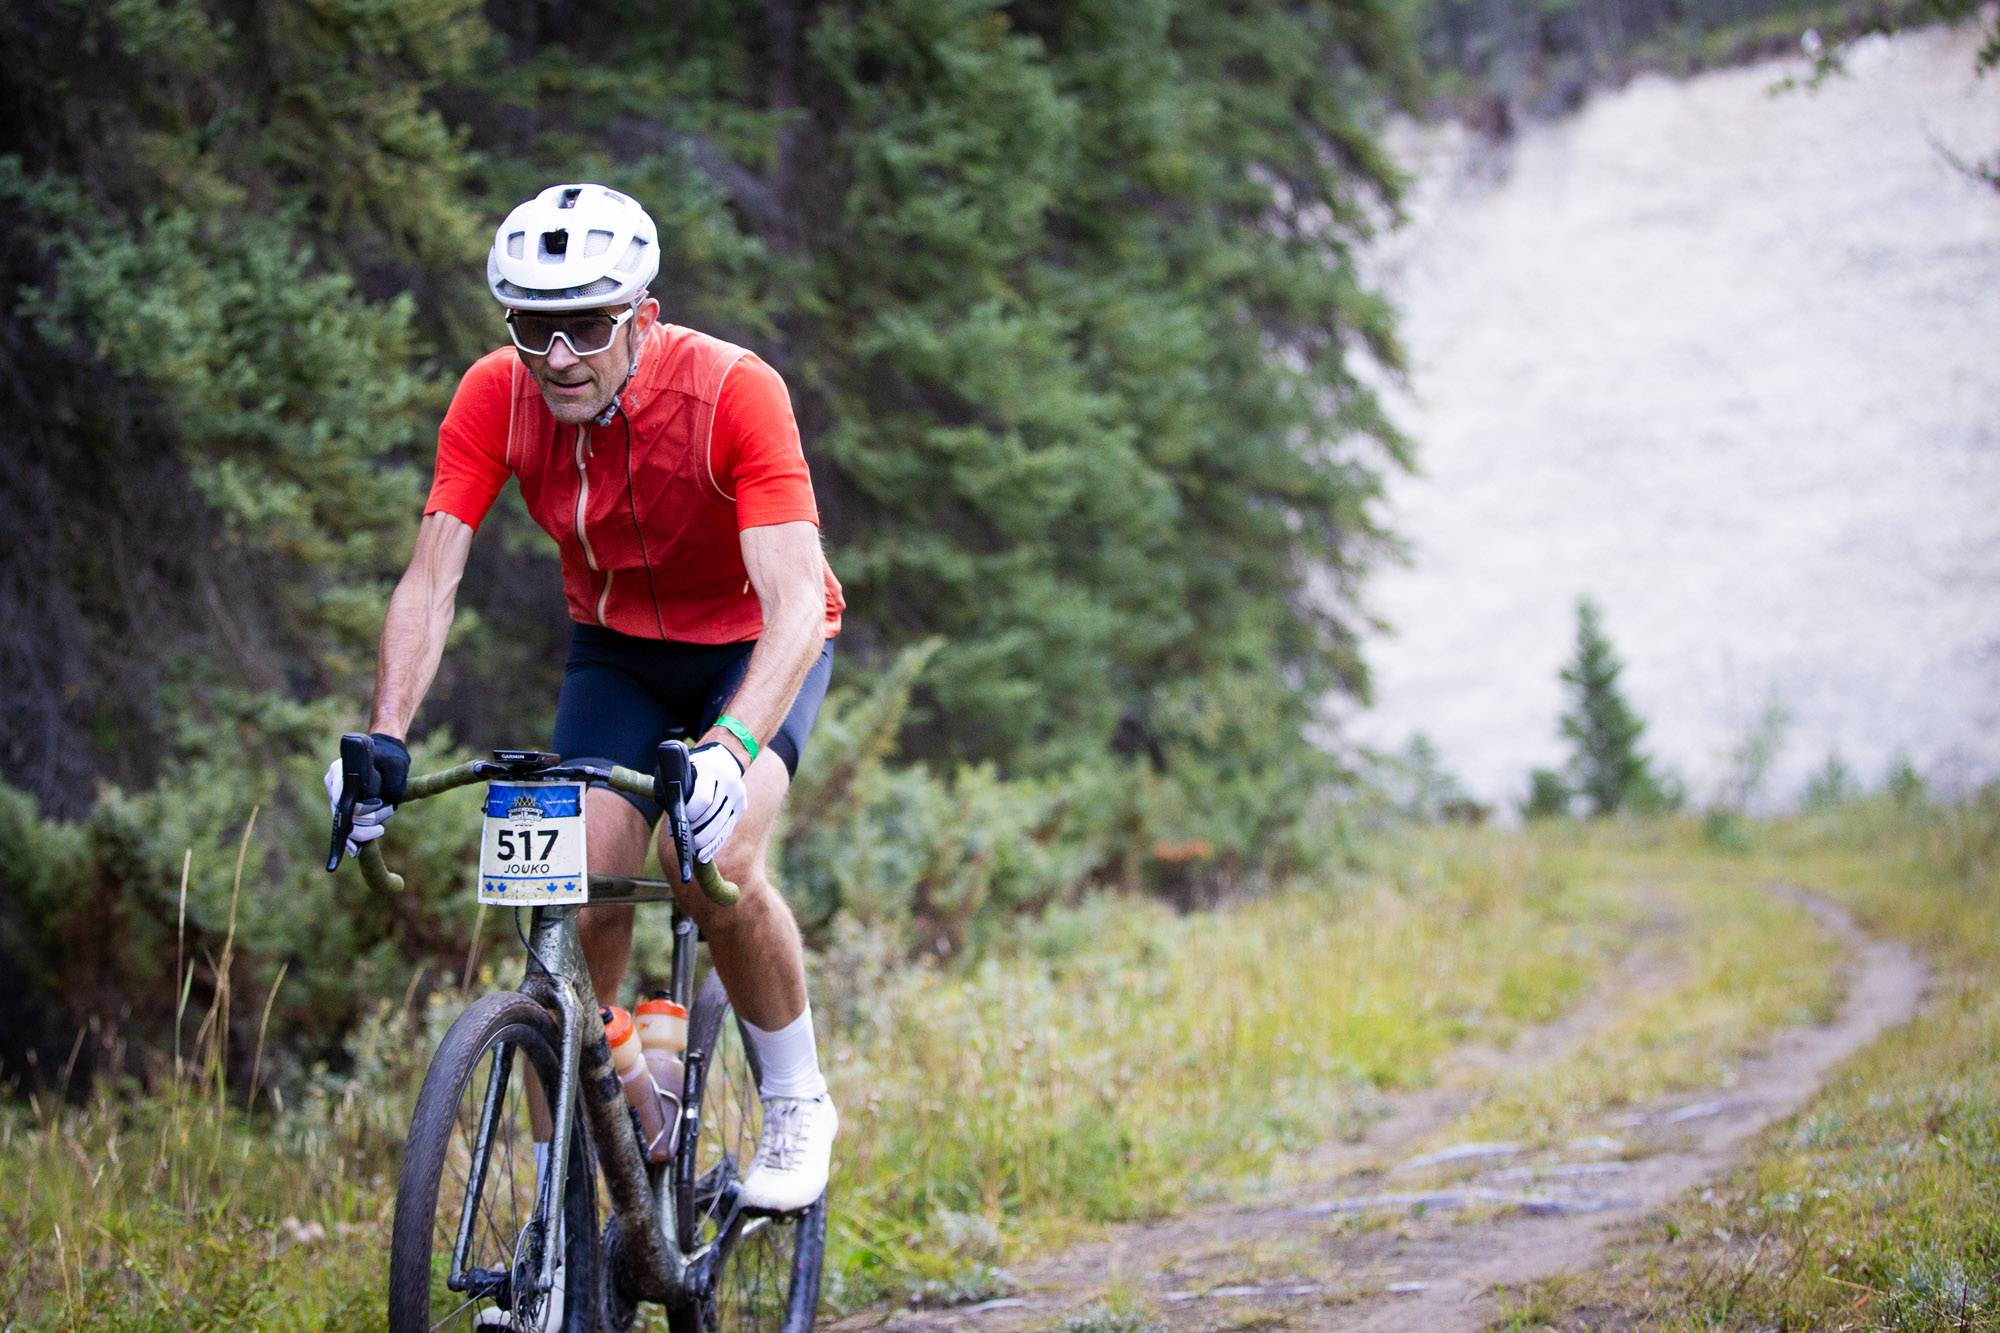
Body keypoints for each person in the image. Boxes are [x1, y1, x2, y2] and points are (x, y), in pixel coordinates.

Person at [324, 183, 842, 1222]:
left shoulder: (734, 391)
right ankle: (565, 1201)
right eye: (531, 327)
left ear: (642, 318)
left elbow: (795, 605)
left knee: (710, 863)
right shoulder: (495, 395)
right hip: (618, 654)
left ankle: (795, 1099)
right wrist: (383, 737)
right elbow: (431, 579)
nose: (558, 356)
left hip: (751, 643)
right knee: (573, 890)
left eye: (588, 328)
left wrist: (731, 749)